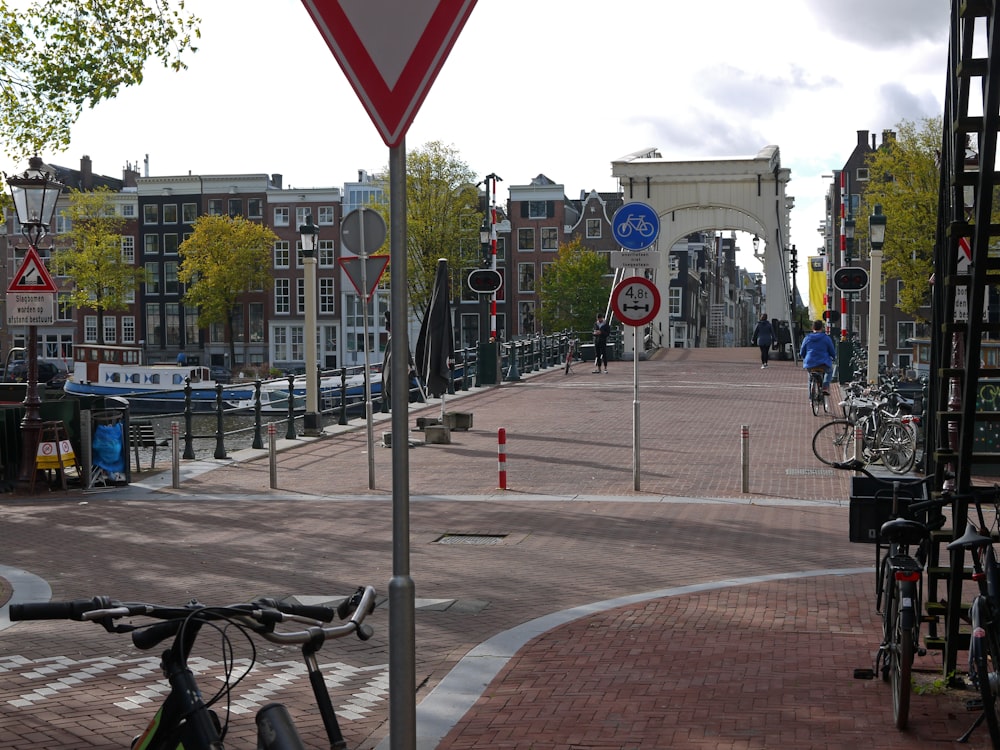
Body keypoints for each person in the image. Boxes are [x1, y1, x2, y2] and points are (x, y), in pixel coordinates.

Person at [800, 319, 837, 394]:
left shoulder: (807, 338)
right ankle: (825, 386)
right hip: (823, 363)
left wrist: (804, 357)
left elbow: (802, 351)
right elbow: (832, 350)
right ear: (822, 328)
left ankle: (811, 398)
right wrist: (834, 357)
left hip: (810, 363)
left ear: (812, 328)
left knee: (810, 378)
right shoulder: (826, 338)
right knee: (830, 371)